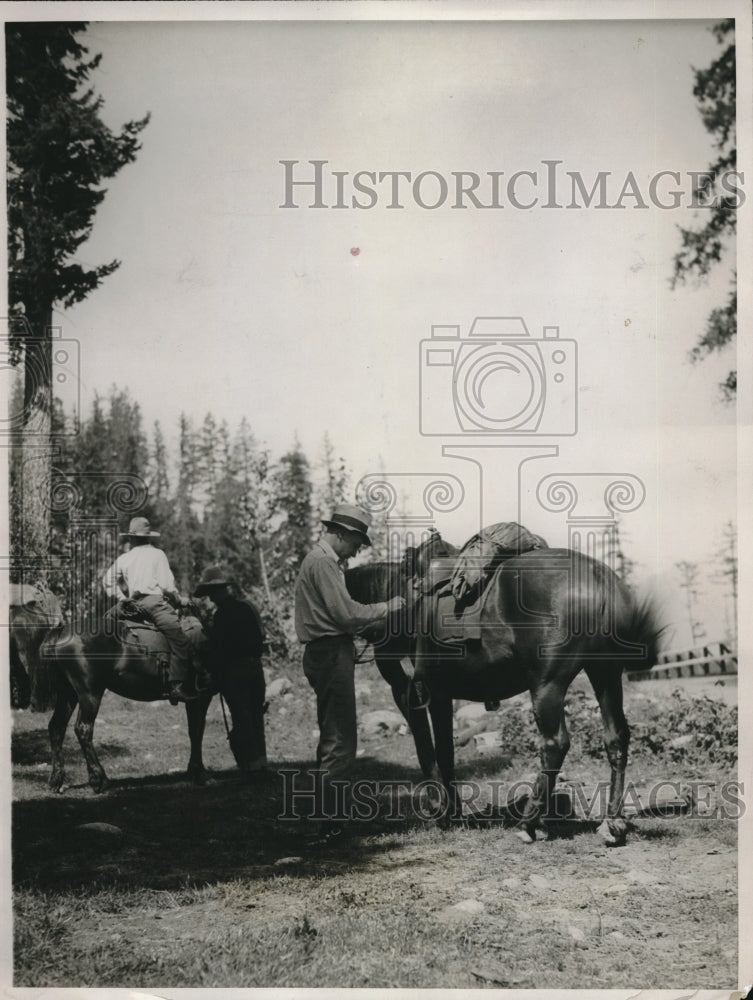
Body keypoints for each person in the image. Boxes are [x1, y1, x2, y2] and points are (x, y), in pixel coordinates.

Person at [294, 502, 405, 832]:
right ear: (342, 534)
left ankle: (326, 815)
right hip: (330, 653)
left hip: (324, 652)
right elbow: (346, 614)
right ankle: (330, 822)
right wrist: (388, 607)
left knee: (331, 735)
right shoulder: (325, 563)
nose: (356, 552)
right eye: (357, 544)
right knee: (341, 740)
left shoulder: (318, 561)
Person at [102, 516, 196, 704]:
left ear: (131, 538)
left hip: (131, 606)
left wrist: (123, 599)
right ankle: (176, 686)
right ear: (148, 537)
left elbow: (107, 581)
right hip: (154, 604)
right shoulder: (157, 555)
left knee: (104, 624)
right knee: (180, 640)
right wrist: (179, 600)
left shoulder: (125, 557)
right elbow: (167, 586)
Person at [194, 565, 268, 777]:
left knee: (242, 717)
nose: (210, 598)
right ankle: (262, 764)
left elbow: (220, 650)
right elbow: (259, 637)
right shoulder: (248, 607)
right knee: (256, 715)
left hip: (236, 671)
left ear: (217, 591)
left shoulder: (222, 615)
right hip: (256, 667)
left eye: (211, 593)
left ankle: (251, 769)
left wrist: (213, 674)